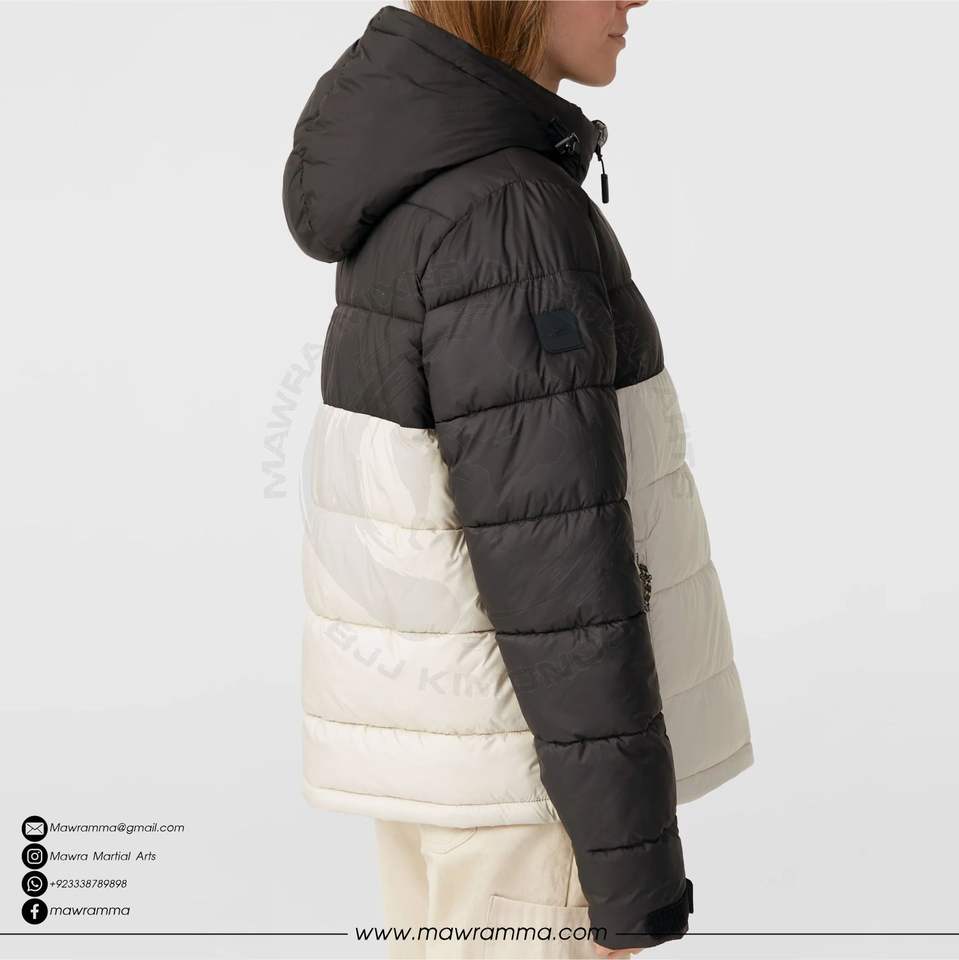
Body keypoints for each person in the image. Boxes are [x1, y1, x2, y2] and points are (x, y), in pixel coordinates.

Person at [282, 2, 753, 957]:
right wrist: (628, 876)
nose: (635, 0)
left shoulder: (426, 184)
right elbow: (560, 572)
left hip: (450, 779)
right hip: (530, 803)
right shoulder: (509, 215)